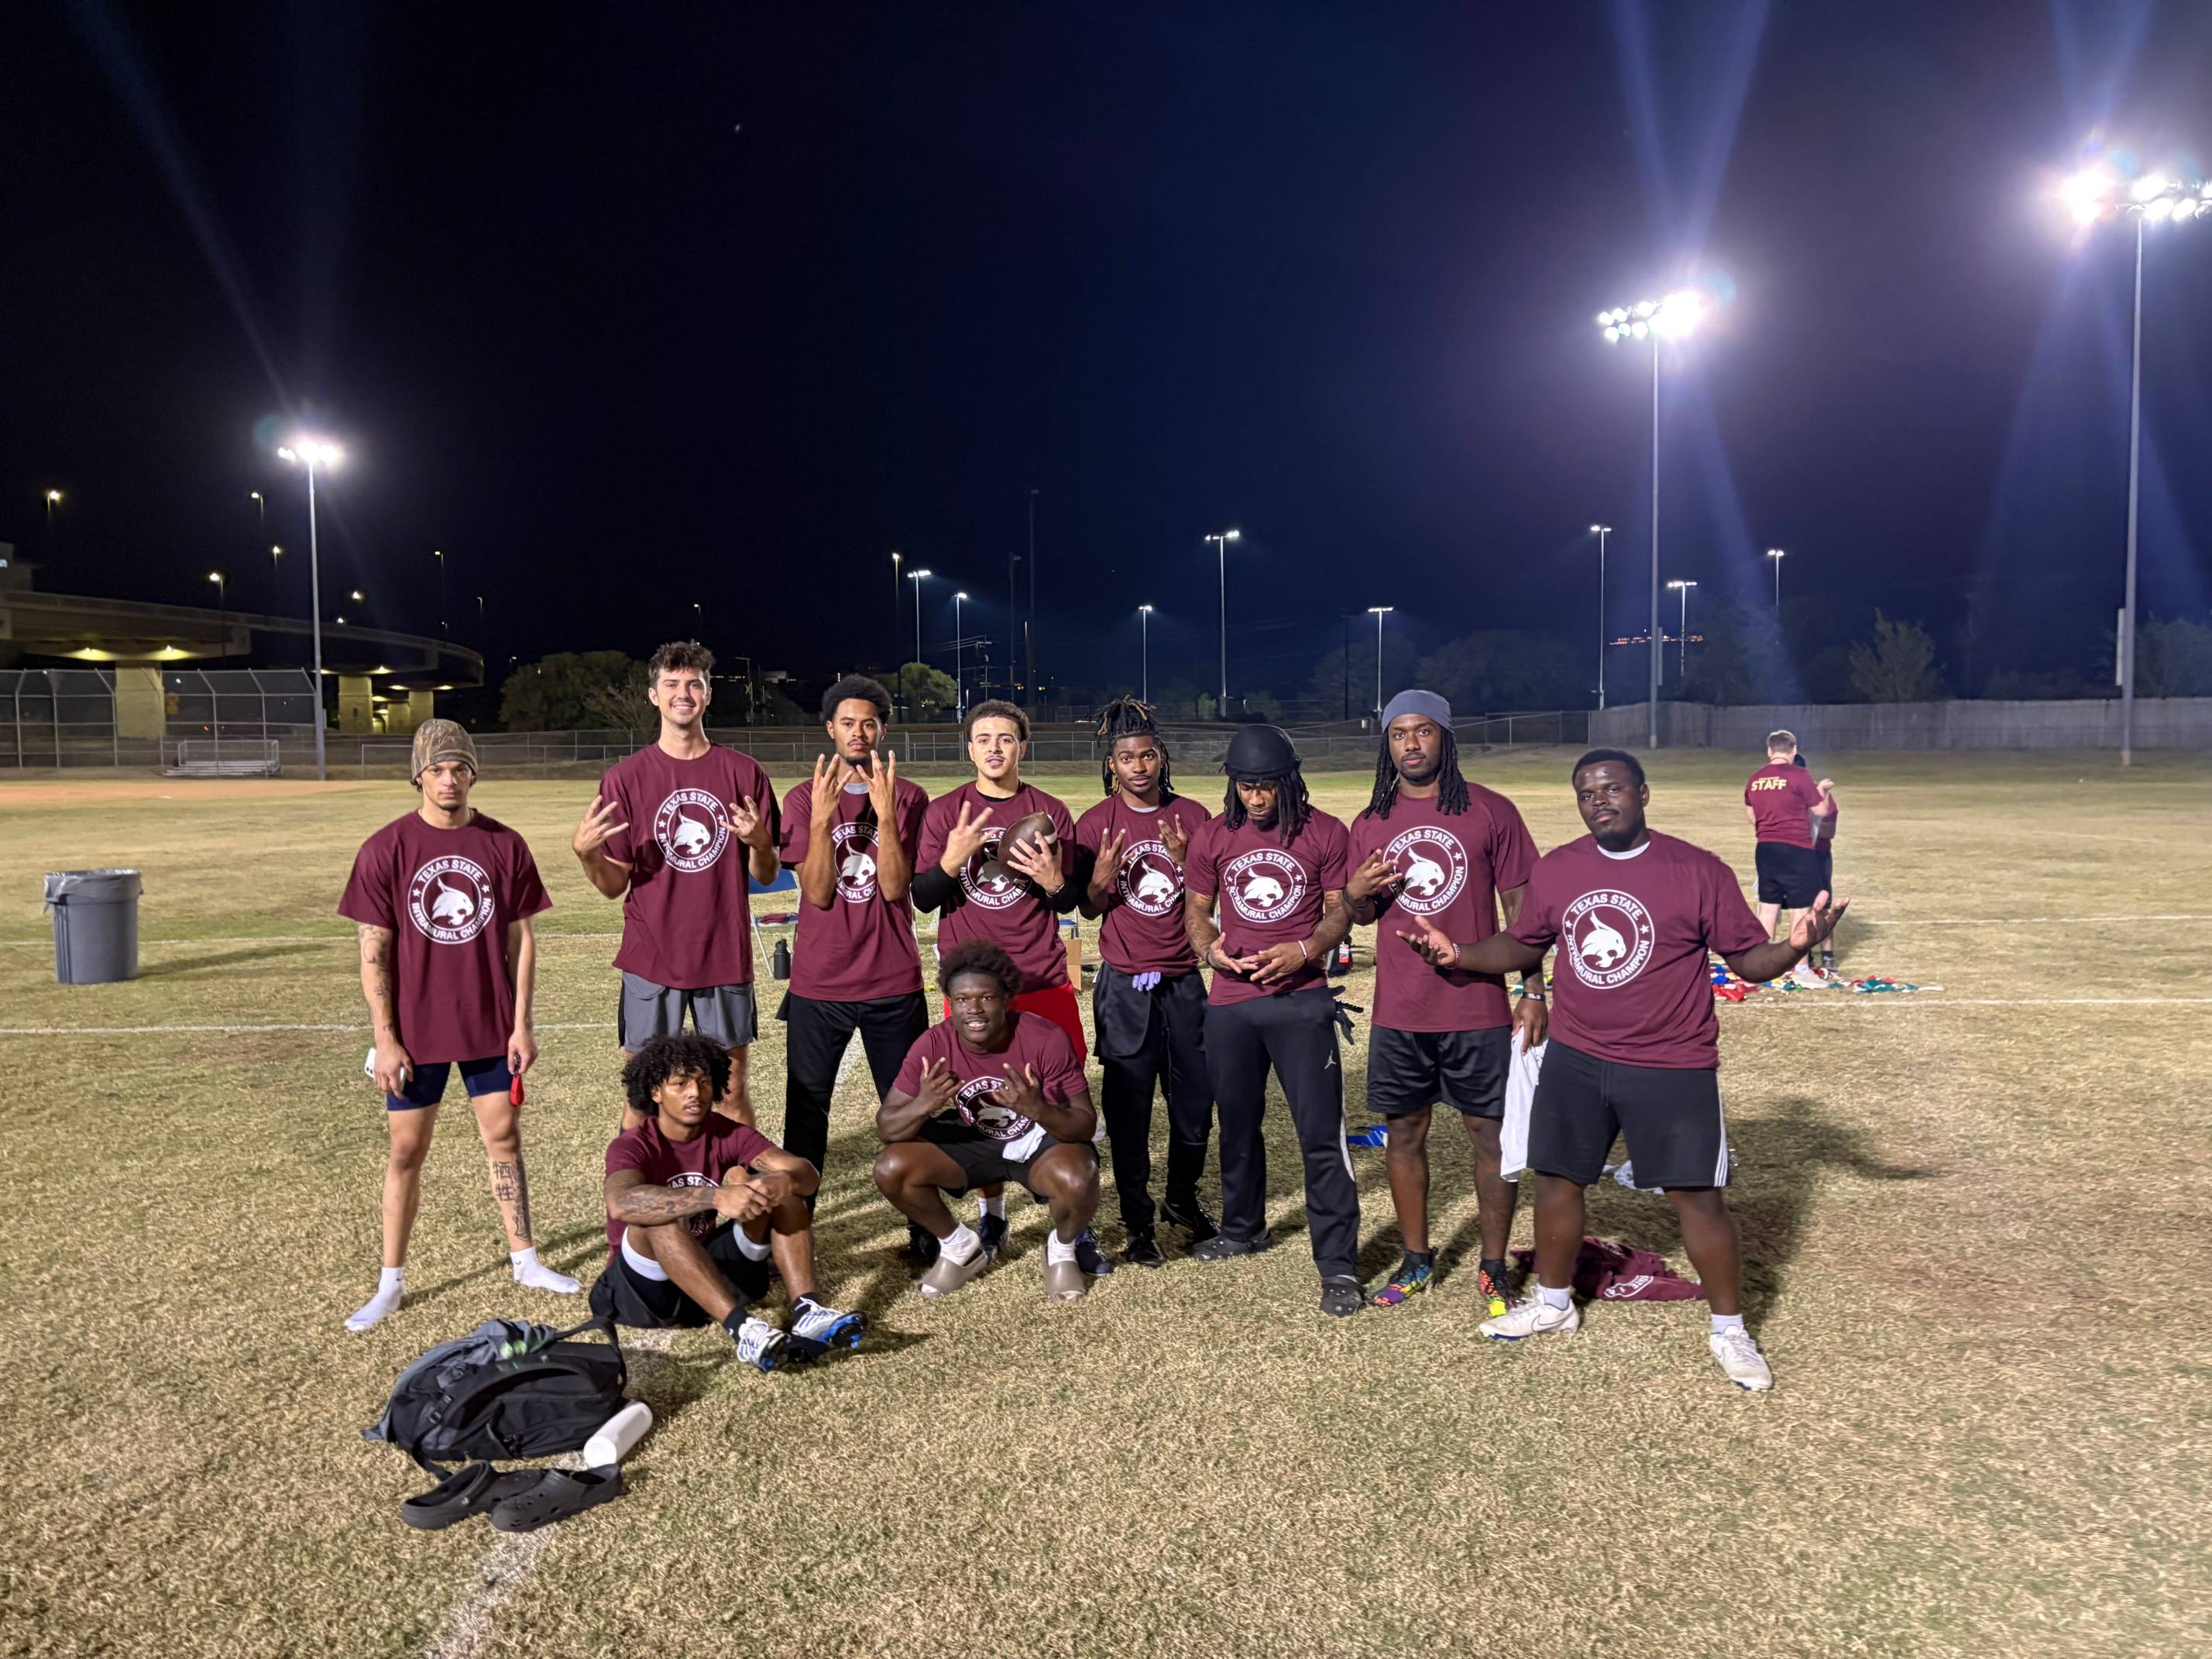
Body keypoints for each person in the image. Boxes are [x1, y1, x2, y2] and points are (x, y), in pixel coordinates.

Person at [1398, 748, 1844, 1390]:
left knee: (1698, 1196)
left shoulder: (1696, 870)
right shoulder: (1560, 869)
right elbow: (1524, 942)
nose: (1599, 800)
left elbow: (1747, 959)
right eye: (1586, 793)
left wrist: (1794, 948)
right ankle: (1553, 1304)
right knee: (1556, 1182)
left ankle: (1730, 1329)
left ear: (1643, 792)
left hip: (1671, 1061)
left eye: (1612, 788)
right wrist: (1459, 953)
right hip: (1578, 1059)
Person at [337, 720, 576, 1332]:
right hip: (416, 1032)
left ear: (474, 774)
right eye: (438, 769)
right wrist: (386, 1038)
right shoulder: (385, 848)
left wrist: (521, 1024)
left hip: (489, 1025)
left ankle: (525, 1259)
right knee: (406, 1151)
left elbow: (522, 941)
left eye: (460, 768)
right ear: (418, 774)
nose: (449, 780)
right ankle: (390, 1282)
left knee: (505, 1140)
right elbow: (373, 952)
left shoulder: (503, 844)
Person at [1345, 691, 1542, 1313]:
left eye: (1423, 732)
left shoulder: (1491, 811)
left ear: (1445, 738)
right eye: (1399, 733)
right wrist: (1355, 893)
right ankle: (1417, 1259)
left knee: (1491, 1135)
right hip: (1401, 1010)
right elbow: (1357, 913)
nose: (1410, 744)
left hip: (1477, 1006)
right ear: (1387, 743)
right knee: (1404, 1133)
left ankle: (1492, 1267)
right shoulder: (1371, 821)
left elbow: (1524, 913)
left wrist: (1533, 991)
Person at [912, 699, 1103, 1270]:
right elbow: (922, 897)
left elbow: (1067, 900)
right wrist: (951, 863)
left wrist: (1052, 880)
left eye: (1006, 739)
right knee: (981, 1101)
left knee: (1065, 1098)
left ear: (1022, 746)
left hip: (1041, 976)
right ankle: (992, 1212)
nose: (995, 748)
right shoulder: (947, 811)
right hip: (972, 986)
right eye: (984, 739)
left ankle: (1074, 1221)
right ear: (969, 748)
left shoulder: (1049, 810)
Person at [1181, 724, 1361, 1317]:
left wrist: (1305, 950)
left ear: (1289, 781)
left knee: (1319, 1135)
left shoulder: (1326, 832)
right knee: (1236, 1125)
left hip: (1302, 1001)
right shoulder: (1213, 836)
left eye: (1266, 786)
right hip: (1231, 1004)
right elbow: (1198, 911)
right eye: (1246, 786)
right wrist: (1212, 952)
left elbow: (1341, 914)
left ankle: (1337, 1264)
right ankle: (1242, 1229)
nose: (1256, 798)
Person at [572, 640, 779, 1132]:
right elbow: (611, 885)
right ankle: (641, 1206)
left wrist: (760, 842)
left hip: (722, 953)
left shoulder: (743, 772)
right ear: (653, 695)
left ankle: (736, 1207)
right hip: (651, 956)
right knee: (644, 1096)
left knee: (729, 1093)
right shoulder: (626, 778)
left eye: (694, 684)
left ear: (708, 695)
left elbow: (765, 874)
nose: (683, 693)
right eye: (672, 684)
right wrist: (586, 855)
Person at [592, 1034, 866, 1371]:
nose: (695, 1092)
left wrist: (783, 1180)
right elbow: (621, 1203)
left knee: (785, 1194)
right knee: (659, 1216)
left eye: (704, 1082)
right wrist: (716, 1196)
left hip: (702, 1268)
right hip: (643, 1289)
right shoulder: (633, 1145)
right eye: (680, 1084)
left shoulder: (725, 1132)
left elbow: (807, 1176)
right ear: (655, 1092)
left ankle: (807, 1311)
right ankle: (744, 1329)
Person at [871, 943, 1104, 1302]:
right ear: (950, 1001)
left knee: (1080, 1175)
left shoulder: (1045, 1038)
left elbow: (1085, 1124)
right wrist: (924, 1104)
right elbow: (887, 1129)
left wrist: (1039, 1109)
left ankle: (1061, 1251)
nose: (974, 1009)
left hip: (1037, 1142)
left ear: (1008, 999)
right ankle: (959, 1246)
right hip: (975, 1140)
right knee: (892, 1167)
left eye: (987, 998)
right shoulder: (934, 1044)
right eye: (962, 999)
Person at [775, 675, 931, 1187]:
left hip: (894, 982)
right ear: (830, 729)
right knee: (805, 1114)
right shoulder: (803, 797)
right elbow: (818, 893)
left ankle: (922, 1230)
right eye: (847, 723)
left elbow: (892, 888)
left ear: (882, 730)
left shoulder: (910, 797)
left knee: (908, 1110)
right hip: (820, 985)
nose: (858, 732)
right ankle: (798, 1229)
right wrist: (821, 822)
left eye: (868, 723)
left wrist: (886, 817)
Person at [1076, 698, 1216, 1266]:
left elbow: (1214, 902)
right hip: (1126, 984)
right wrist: (1100, 883)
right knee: (1130, 1112)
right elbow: (1087, 910)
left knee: (1193, 1108)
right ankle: (1137, 1221)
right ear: (1112, 765)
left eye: (1147, 755)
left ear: (1161, 759)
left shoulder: (1197, 816)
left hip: (1183, 981)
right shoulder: (1094, 823)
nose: (1138, 766)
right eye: (1126, 757)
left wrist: (1184, 864)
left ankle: (1182, 1200)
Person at [1743, 730, 1835, 988]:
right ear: (1793, 751)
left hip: (1766, 849)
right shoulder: (1800, 775)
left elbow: (1752, 818)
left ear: (1769, 751)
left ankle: (1762, 967)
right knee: (1800, 910)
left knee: (1767, 909)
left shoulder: (1755, 778)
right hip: (1796, 849)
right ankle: (1801, 968)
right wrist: (1824, 792)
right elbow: (1820, 810)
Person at [1794, 750, 1839, 976]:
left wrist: (1806, 826)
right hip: (1792, 857)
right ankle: (1805, 952)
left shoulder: (1819, 796)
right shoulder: (1783, 794)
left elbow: (1829, 831)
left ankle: (1828, 955)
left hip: (1817, 857)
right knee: (1797, 907)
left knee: (1821, 906)